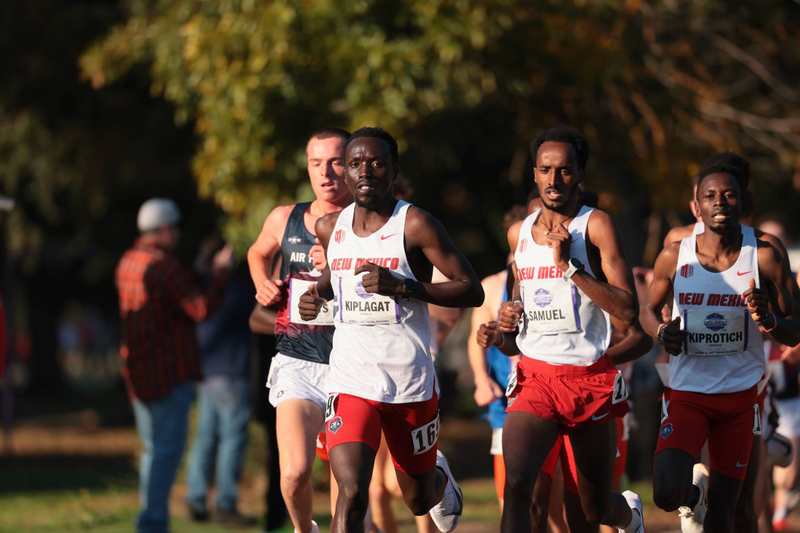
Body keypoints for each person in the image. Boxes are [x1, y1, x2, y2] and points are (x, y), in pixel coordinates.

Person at [298, 126, 484, 533]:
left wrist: (404, 286)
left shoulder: (415, 224)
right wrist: (317, 296)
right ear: (346, 173)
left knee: (417, 500)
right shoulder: (330, 228)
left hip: (409, 382)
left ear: (393, 170)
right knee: (351, 493)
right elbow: (335, 277)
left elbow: (471, 290)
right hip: (350, 380)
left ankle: (439, 478)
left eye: (377, 163)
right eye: (355, 164)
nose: (366, 172)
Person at [483, 125, 652, 533]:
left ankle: (628, 514)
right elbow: (518, 316)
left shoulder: (596, 227)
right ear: (535, 174)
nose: (554, 180)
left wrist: (570, 267)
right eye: (545, 169)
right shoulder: (518, 233)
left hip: (588, 380)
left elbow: (628, 312)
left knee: (592, 512)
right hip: (535, 377)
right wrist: (507, 323)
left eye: (564, 170)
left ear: (581, 176)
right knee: (518, 492)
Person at [643, 162, 800, 533]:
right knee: (666, 492)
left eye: (729, 195)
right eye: (710, 196)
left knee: (726, 509)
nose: (720, 203)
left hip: (739, 397)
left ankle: (710, 501)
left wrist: (771, 320)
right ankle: (694, 496)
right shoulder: (674, 255)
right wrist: (663, 332)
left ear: (743, 201)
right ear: (697, 205)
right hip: (688, 393)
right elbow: (647, 311)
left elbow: (794, 332)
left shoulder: (763, 257)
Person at [246, 127, 353, 533]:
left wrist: (341, 260)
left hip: (352, 362)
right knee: (293, 473)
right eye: (315, 163)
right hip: (298, 361)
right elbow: (258, 251)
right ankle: (304, 529)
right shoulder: (284, 217)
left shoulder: (369, 223)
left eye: (336, 162)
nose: (326, 172)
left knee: (348, 483)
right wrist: (262, 281)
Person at [115, 198, 234, 533]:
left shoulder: (128, 261)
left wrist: (198, 272)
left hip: (139, 373)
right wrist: (221, 273)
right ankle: (152, 523)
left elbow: (167, 301)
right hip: (169, 373)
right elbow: (199, 308)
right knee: (166, 454)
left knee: (153, 451)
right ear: (166, 228)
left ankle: (150, 519)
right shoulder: (164, 266)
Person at [184, 243, 257, 526]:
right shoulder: (232, 290)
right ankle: (225, 504)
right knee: (231, 441)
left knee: (204, 439)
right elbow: (261, 306)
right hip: (231, 376)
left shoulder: (198, 287)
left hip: (205, 378)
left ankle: (196, 497)